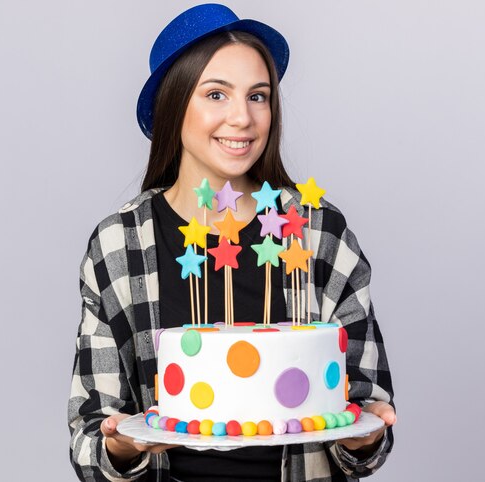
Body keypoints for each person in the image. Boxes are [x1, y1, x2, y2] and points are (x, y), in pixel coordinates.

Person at [68, 4, 396, 481]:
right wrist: (118, 446)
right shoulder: (119, 246)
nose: (241, 117)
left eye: (258, 96)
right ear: (172, 104)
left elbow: (370, 415)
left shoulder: (319, 234)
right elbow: (88, 439)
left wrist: (364, 436)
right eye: (216, 94)